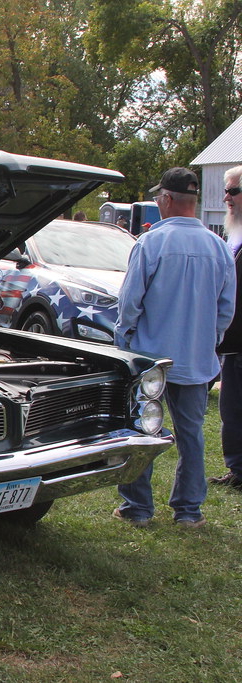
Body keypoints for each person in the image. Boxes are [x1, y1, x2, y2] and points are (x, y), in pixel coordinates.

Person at [113, 167, 236, 528]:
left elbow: (130, 303)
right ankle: (188, 511)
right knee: (191, 436)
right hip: (195, 358)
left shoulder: (152, 243)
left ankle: (137, 509)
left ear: (166, 199)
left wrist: (125, 343)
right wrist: (209, 341)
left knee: (142, 431)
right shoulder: (218, 246)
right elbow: (226, 308)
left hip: (151, 357)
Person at [210, 164, 242, 490]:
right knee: (231, 411)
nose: (226, 198)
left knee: (233, 411)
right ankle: (237, 469)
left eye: (233, 191)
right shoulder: (234, 234)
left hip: (238, 342)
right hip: (233, 343)